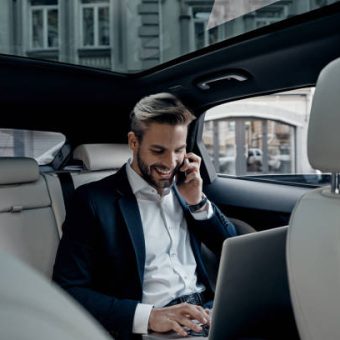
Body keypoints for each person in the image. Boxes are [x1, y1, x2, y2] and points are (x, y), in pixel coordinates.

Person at [53, 92, 237, 339]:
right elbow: (68, 290)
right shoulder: (93, 201)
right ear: (133, 142)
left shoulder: (187, 187)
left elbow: (230, 248)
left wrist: (197, 201)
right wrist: (149, 316)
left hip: (209, 313)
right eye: (158, 151)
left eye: (179, 150)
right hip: (155, 326)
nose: (170, 163)